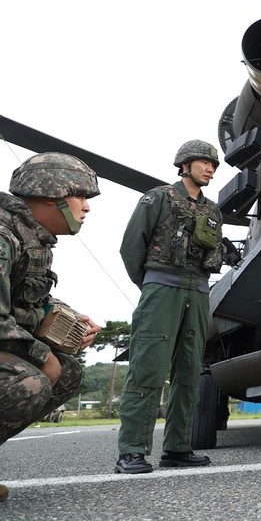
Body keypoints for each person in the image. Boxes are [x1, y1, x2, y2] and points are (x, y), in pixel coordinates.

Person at [115, 140, 225, 474]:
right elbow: (131, 247)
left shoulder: (212, 210)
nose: (210, 169)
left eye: (214, 165)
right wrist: (152, 284)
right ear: (184, 165)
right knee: (149, 367)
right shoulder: (158, 198)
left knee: (190, 371)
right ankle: (132, 450)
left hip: (199, 293)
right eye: (204, 162)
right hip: (162, 290)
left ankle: (178, 447)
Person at [0, 153, 103, 502]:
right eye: (81, 196)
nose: (86, 208)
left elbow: (23, 303)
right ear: (51, 196)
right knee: (27, 382)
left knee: (68, 371)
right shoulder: (3, 237)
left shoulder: (31, 238)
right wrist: (43, 355)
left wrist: (67, 320)